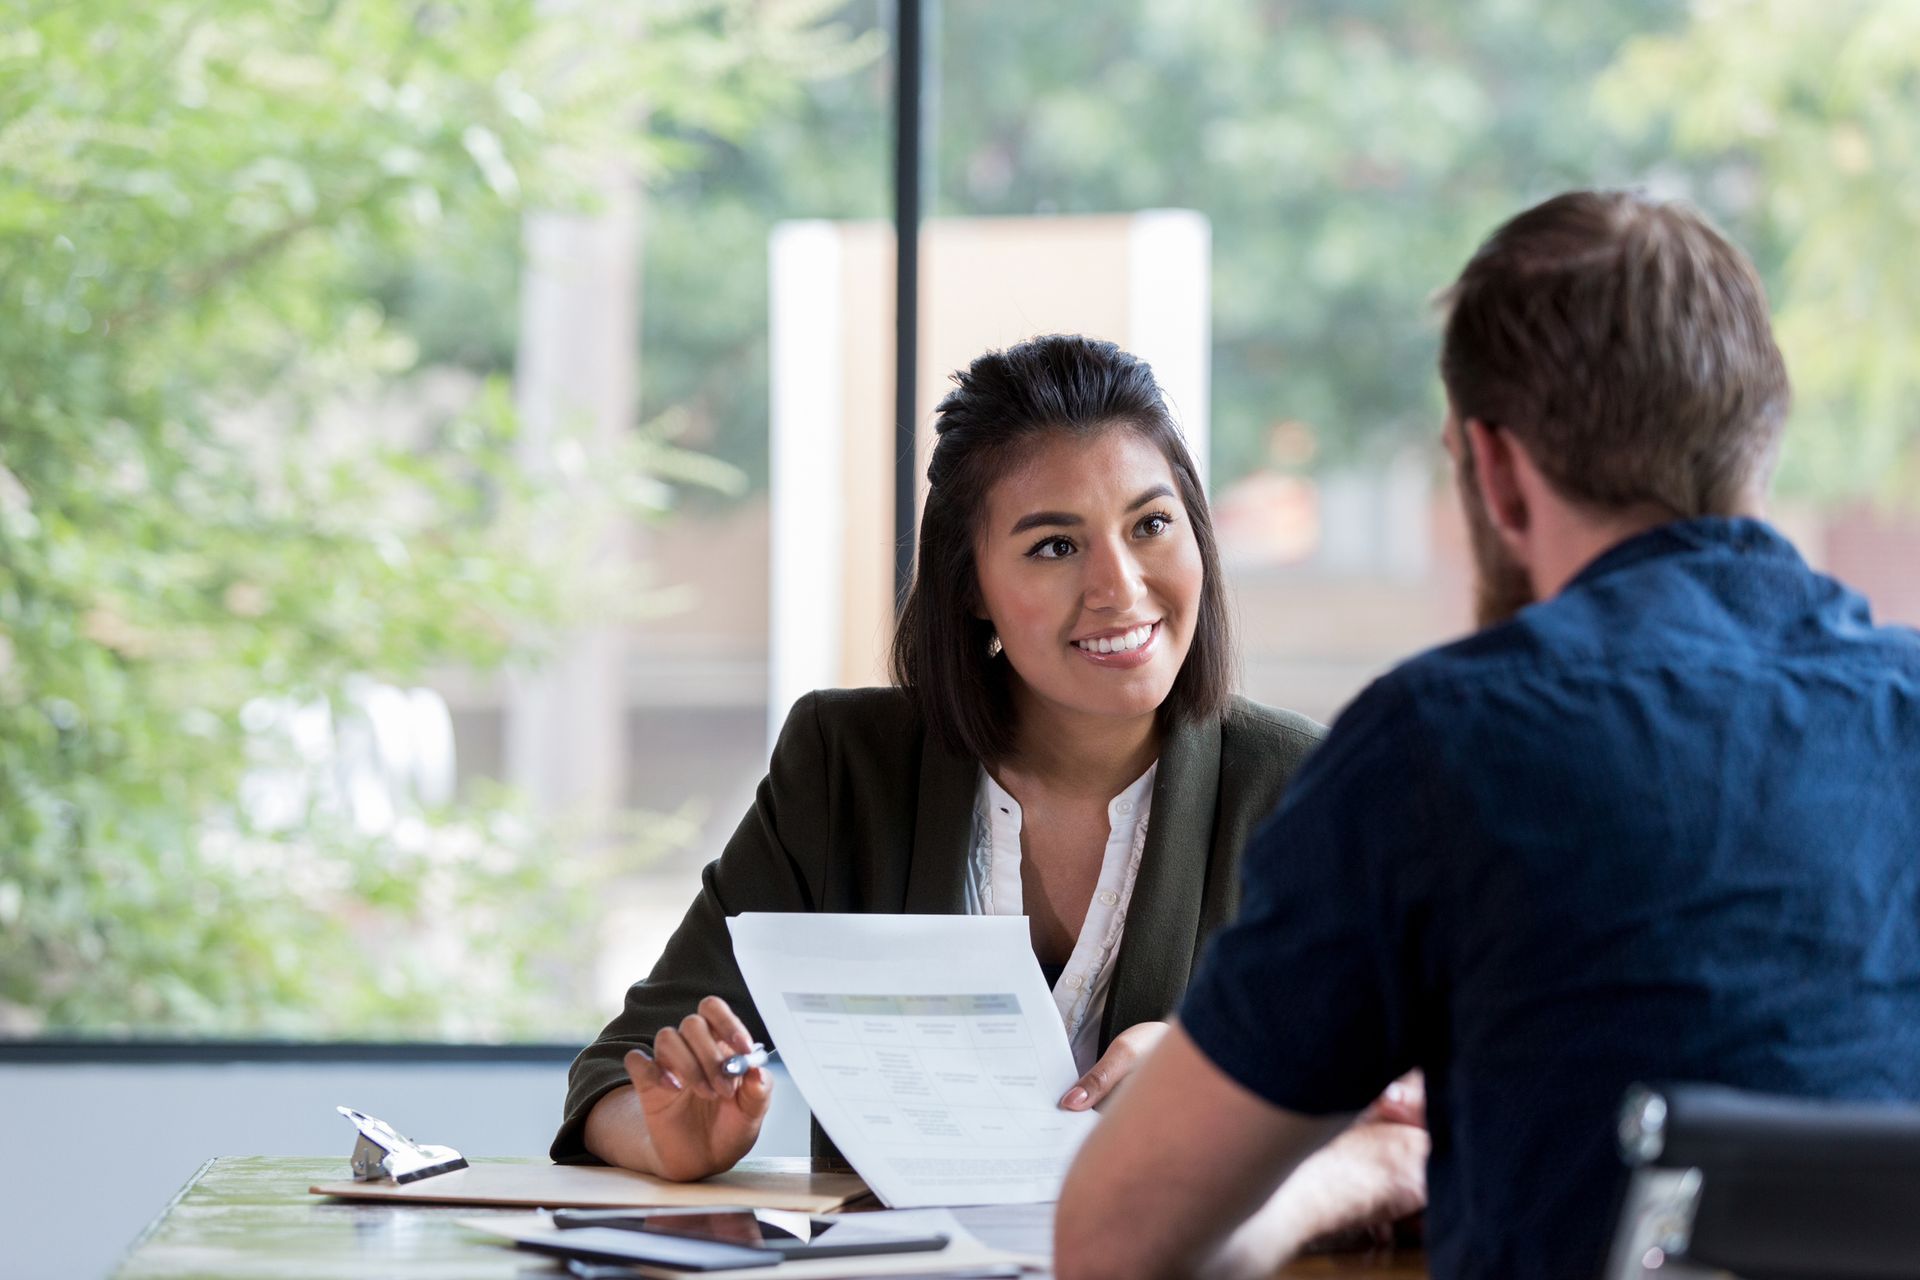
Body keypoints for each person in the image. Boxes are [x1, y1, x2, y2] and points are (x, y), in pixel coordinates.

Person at [1054, 190, 1920, 1280]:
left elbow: (1112, 1242)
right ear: (1762, 434)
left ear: (1496, 469)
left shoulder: (1445, 744)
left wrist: (1358, 1170)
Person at [553, 334, 1425, 1234]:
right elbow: (617, 1074)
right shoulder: (846, 767)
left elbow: (1418, 1100)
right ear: (971, 586)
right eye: (1054, 546)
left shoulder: (1307, 789)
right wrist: (673, 1140)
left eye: (1151, 525)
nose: (1119, 588)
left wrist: (1224, 1075)